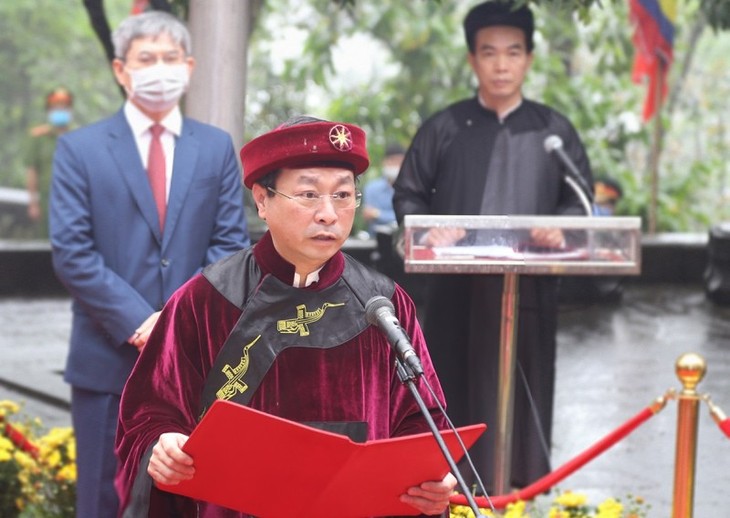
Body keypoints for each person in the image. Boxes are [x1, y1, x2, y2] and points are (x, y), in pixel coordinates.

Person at [114, 116, 457, 517]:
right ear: (262, 199)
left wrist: (434, 480)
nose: (329, 213)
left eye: (343, 196)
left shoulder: (383, 304)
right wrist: (162, 444)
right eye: (309, 195)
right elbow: (147, 415)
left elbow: (423, 420)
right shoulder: (206, 300)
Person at [49, 11, 249, 517]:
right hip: (105, 362)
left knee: (190, 501)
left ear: (189, 65)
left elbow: (229, 245)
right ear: (121, 70)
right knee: (101, 500)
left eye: (169, 59)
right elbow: (73, 252)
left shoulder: (216, 148)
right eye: (146, 59)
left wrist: (178, 320)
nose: (159, 70)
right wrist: (141, 323)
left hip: (195, 364)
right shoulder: (79, 149)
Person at [392, 0, 594, 491]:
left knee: (523, 407)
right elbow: (409, 195)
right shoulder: (443, 127)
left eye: (513, 52)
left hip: (526, 298)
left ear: (528, 58)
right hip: (454, 298)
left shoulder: (553, 131)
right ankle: (450, 495)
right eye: (489, 53)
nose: (501, 65)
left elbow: (580, 201)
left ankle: (519, 495)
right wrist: (428, 228)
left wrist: (560, 229)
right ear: (472, 60)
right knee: (452, 396)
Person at [24, 87, 74, 238]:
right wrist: (33, 203)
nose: (60, 110)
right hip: (47, 200)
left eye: (64, 107)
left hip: (73, 201)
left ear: (70, 110)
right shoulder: (38, 137)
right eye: (55, 107)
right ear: (48, 111)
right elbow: (32, 171)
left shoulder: (78, 136)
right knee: (46, 243)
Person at [361, 143, 405, 237]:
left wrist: (377, 214)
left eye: (399, 162)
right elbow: (368, 214)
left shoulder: (409, 189)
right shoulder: (371, 188)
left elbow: (406, 218)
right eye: (392, 161)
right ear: (384, 162)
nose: (395, 165)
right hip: (375, 241)